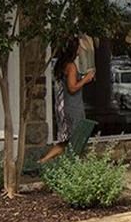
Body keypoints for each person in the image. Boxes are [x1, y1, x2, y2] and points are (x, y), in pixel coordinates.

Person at [39, 35, 96, 164]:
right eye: (80, 48)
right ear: (75, 49)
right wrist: (86, 80)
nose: (81, 51)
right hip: (71, 106)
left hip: (63, 105)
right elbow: (72, 88)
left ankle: (44, 161)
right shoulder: (71, 66)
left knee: (67, 140)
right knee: (77, 138)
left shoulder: (61, 64)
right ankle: (71, 166)